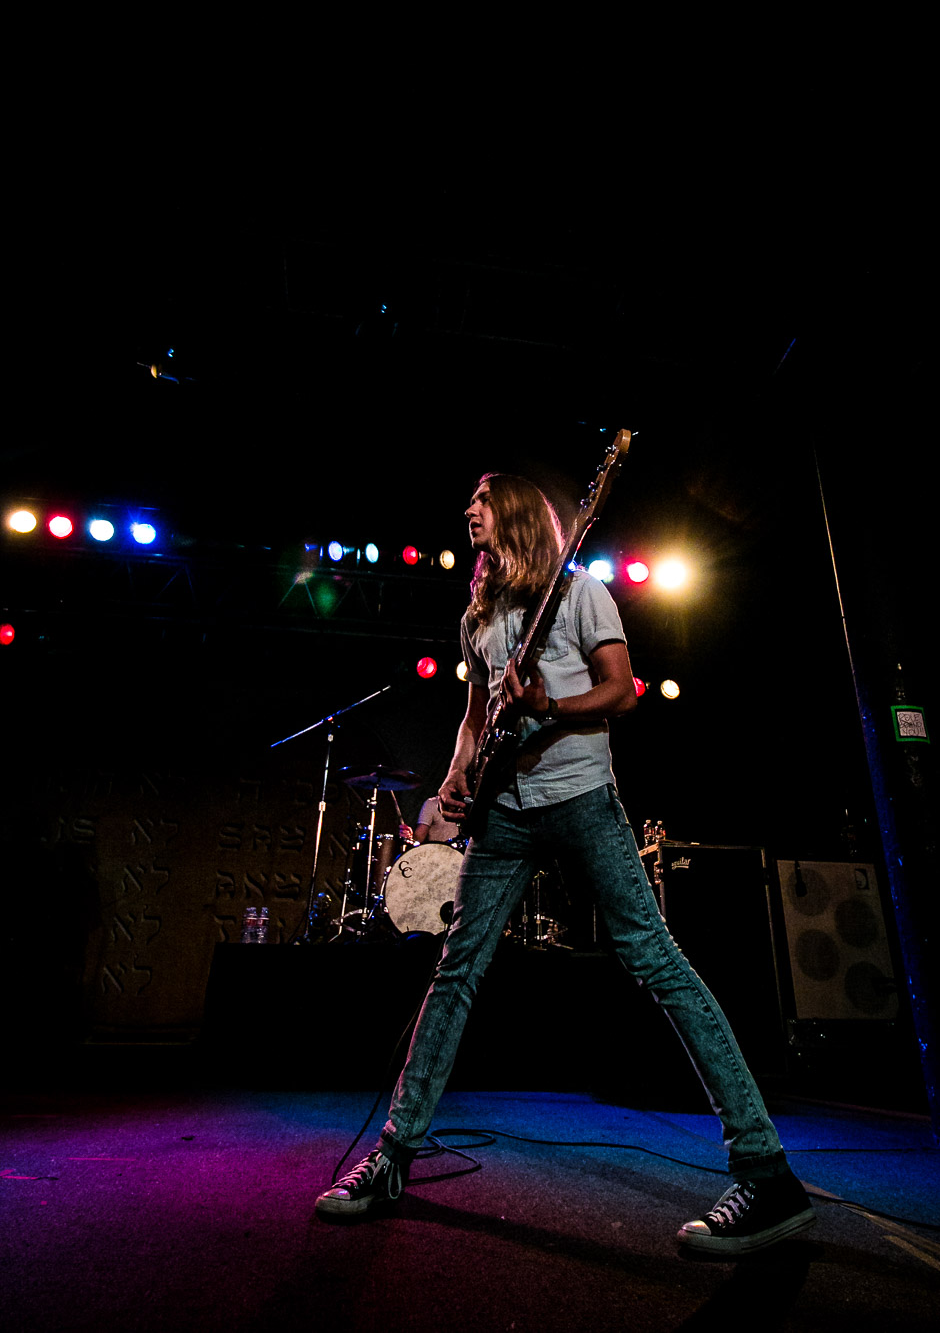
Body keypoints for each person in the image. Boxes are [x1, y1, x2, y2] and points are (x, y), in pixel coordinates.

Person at [316, 471, 815, 1255]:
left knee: (656, 960)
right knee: (455, 972)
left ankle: (767, 1171)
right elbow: (475, 715)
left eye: (481, 500)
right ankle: (393, 1157)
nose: (468, 510)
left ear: (514, 512)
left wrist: (550, 707)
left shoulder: (581, 594)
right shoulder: (479, 617)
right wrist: (456, 773)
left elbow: (622, 692)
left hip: (582, 799)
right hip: (502, 816)